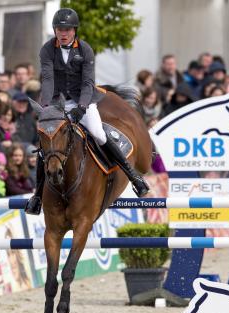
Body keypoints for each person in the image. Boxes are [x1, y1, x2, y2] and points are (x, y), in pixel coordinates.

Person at [25, 7, 149, 215]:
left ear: (74, 31)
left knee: (99, 134)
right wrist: (47, 107)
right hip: (57, 102)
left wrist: (80, 109)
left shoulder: (85, 49)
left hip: (84, 99)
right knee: (48, 141)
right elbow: (47, 79)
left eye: (67, 30)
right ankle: (37, 195)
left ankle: (133, 176)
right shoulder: (47, 49)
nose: (63, 33)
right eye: (59, 29)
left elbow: (87, 82)